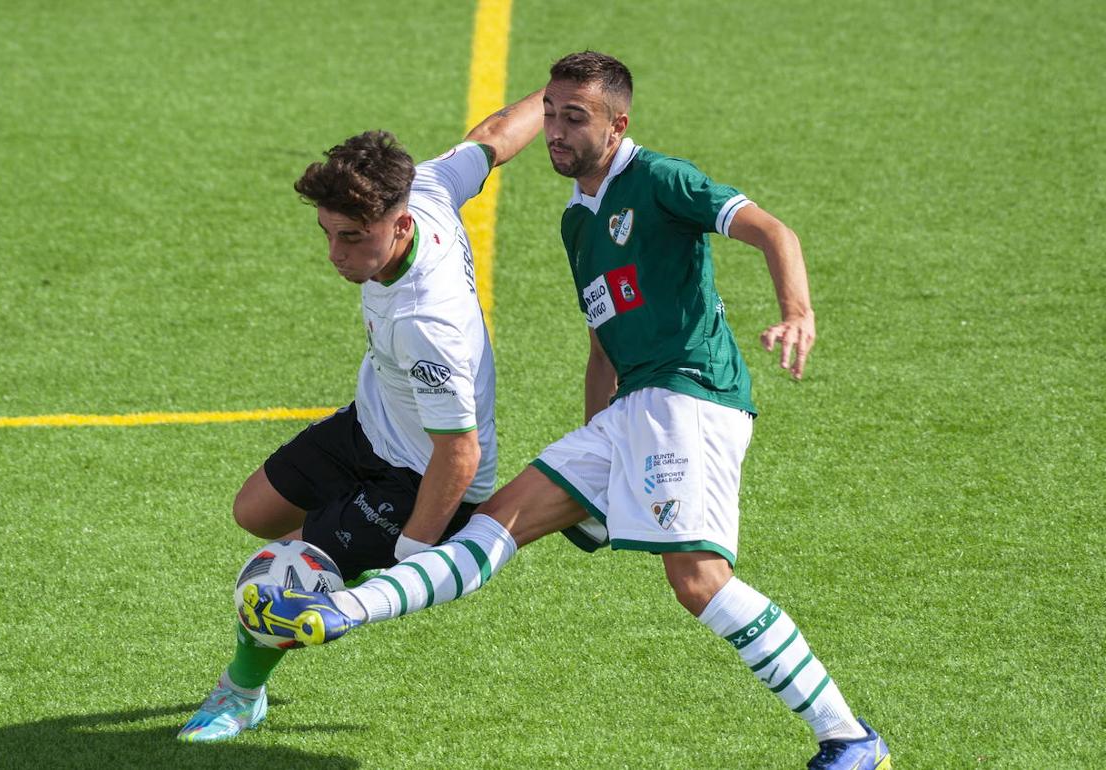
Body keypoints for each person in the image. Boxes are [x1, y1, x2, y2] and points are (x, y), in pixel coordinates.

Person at [244, 52, 890, 769]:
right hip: (626, 413)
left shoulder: (660, 179)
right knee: (491, 528)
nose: (554, 130)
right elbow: (602, 344)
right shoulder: (578, 222)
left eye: (573, 117)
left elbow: (774, 231)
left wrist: (795, 312)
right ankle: (341, 610)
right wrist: (598, 444)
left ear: (618, 124)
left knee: (698, 582)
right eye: (550, 113)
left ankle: (850, 739)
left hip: (689, 396)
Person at [177, 89, 546, 743]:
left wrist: (413, 550)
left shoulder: (427, 322)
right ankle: (318, 558)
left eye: (353, 238)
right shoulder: (426, 187)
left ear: (399, 227)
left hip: (423, 478)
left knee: (287, 577)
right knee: (255, 514)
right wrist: (564, 92)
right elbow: (493, 136)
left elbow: (457, 453)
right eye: (327, 233)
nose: (335, 254)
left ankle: (240, 692)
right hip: (372, 423)